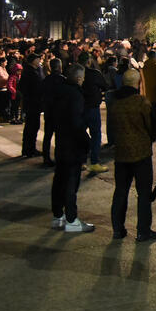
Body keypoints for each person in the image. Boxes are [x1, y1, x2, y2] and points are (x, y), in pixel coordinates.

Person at [107, 69, 156, 242]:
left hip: (121, 153)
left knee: (120, 191)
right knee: (144, 193)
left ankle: (118, 228)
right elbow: (151, 126)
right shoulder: (140, 102)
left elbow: (111, 126)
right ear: (137, 83)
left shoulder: (114, 102)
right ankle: (143, 230)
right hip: (140, 152)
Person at [50, 64, 95, 233]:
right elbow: (77, 122)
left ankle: (58, 215)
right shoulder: (75, 95)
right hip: (72, 144)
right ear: (78, 78)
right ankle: (71, 219)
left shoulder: (59, 91)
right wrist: (86, 141)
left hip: (61, 141)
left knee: (59, 180)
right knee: (71, 182)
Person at [78, 52, 110, 174]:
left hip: (79, 108)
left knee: (80, 134)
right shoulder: (94, 74)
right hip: (92, 107)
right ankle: (94, 162)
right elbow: (105, 86)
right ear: (89, 61)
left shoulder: (74, 73)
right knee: (96, 135)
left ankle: (81, 160)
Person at [40, 58, 66, 167]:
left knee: (48, 135)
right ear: (59, 67)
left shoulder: (46, 80)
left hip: (49, 110)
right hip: (59, 111)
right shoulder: (62, 80)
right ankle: (59, 157)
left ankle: (46, 157)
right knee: (59, 137)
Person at [19, 54, 44, 157]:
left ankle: (29, 148)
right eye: (38, 59)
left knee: (32, 127)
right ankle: (29, 149)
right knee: (31, 127)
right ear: (33, 61)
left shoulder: (34, 70)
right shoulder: (30, 72)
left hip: (33, 103)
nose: (39, 61)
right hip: (32, 103)